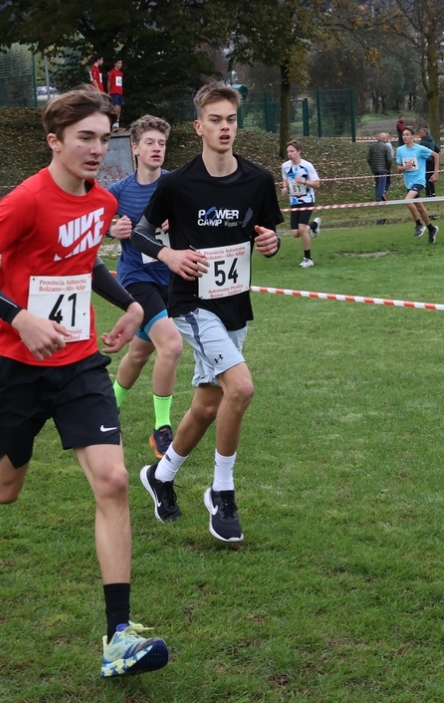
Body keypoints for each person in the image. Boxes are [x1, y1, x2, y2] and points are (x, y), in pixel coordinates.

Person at [0, 88, 169, 678]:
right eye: (86, 137)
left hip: (79, 366)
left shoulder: (102, 201)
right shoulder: (25, 200)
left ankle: (118, 637)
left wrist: (130, 304)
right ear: (54, 140)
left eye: (105, 139)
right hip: (16, 369)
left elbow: (88, 263)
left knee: (114, 480)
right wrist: (19, 316)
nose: (97, 149)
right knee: (4, 488)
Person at [131, 81, 282, 542]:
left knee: (207, 403)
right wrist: (169, 256)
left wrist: (271, 243)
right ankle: (222, 492)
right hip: (192, 305)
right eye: (215, 120)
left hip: (235, 306)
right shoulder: (177, 183)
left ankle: (161, 474)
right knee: (241, 388)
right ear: (198, 127)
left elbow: (268, 236)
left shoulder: (257, 180)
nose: (224, 128)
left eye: (231, 120)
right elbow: (139, 234)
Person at [107, 115, 183, 459]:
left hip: (172, 280)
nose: (157, 149)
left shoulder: (177, 184)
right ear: (134, 148)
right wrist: (112, 230)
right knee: (171, 345)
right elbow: (93, 223)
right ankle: (162, 429)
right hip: (136, 280)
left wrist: (177, 225)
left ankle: (107, 408)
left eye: (162, 143)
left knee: (139, 354)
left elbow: (199, 225)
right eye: (150, 143)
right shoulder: (119, 192)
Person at [280, 140, 321, 268]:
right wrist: (285, 188)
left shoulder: (307, 166)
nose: (289, 154)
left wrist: (304, 182)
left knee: (302, 229)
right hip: (294, 201)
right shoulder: (285, 166)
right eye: (288, 152)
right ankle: (314, 225)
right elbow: (285, 179)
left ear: (299, 151)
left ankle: (308, 259)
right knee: (295, 233)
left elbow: (317, 184)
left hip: (307, 199)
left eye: (292, 151)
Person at [396, 127, 439, 243]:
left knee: (407, 200)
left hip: (419, 181)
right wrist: (404, 167)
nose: (404, 136)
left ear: (412, 137)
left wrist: (435, 173)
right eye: (403, 135)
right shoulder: (400, 150)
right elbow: (398, 169)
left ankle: (419, 225)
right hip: (408, 183)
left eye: (407, 134)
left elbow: (436, 155)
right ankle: (431, 229)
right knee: (420, 207)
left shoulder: (420, 149)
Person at [418, 127, 441, 197]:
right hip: (433, 161)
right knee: (431, 176)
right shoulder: (432, 140)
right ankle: (433, 192)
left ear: (425, 133)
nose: (419, 134)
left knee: (425, 177)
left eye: (420, 133)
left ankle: (428, 193)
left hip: (426, 162)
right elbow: (438, 149)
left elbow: (419, 152)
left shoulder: (423, 142)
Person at [107, 59, 124, 129]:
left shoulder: (121, 73)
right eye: (119, 63)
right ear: (115, 64)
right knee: (115, 107)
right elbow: (109, 82)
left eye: (121, 63)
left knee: (119, 108)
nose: (120, 65)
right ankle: (113, 123)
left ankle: (117, 123)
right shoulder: (112, 72)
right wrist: (109, 91)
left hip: (120, 92)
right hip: (114, 92)